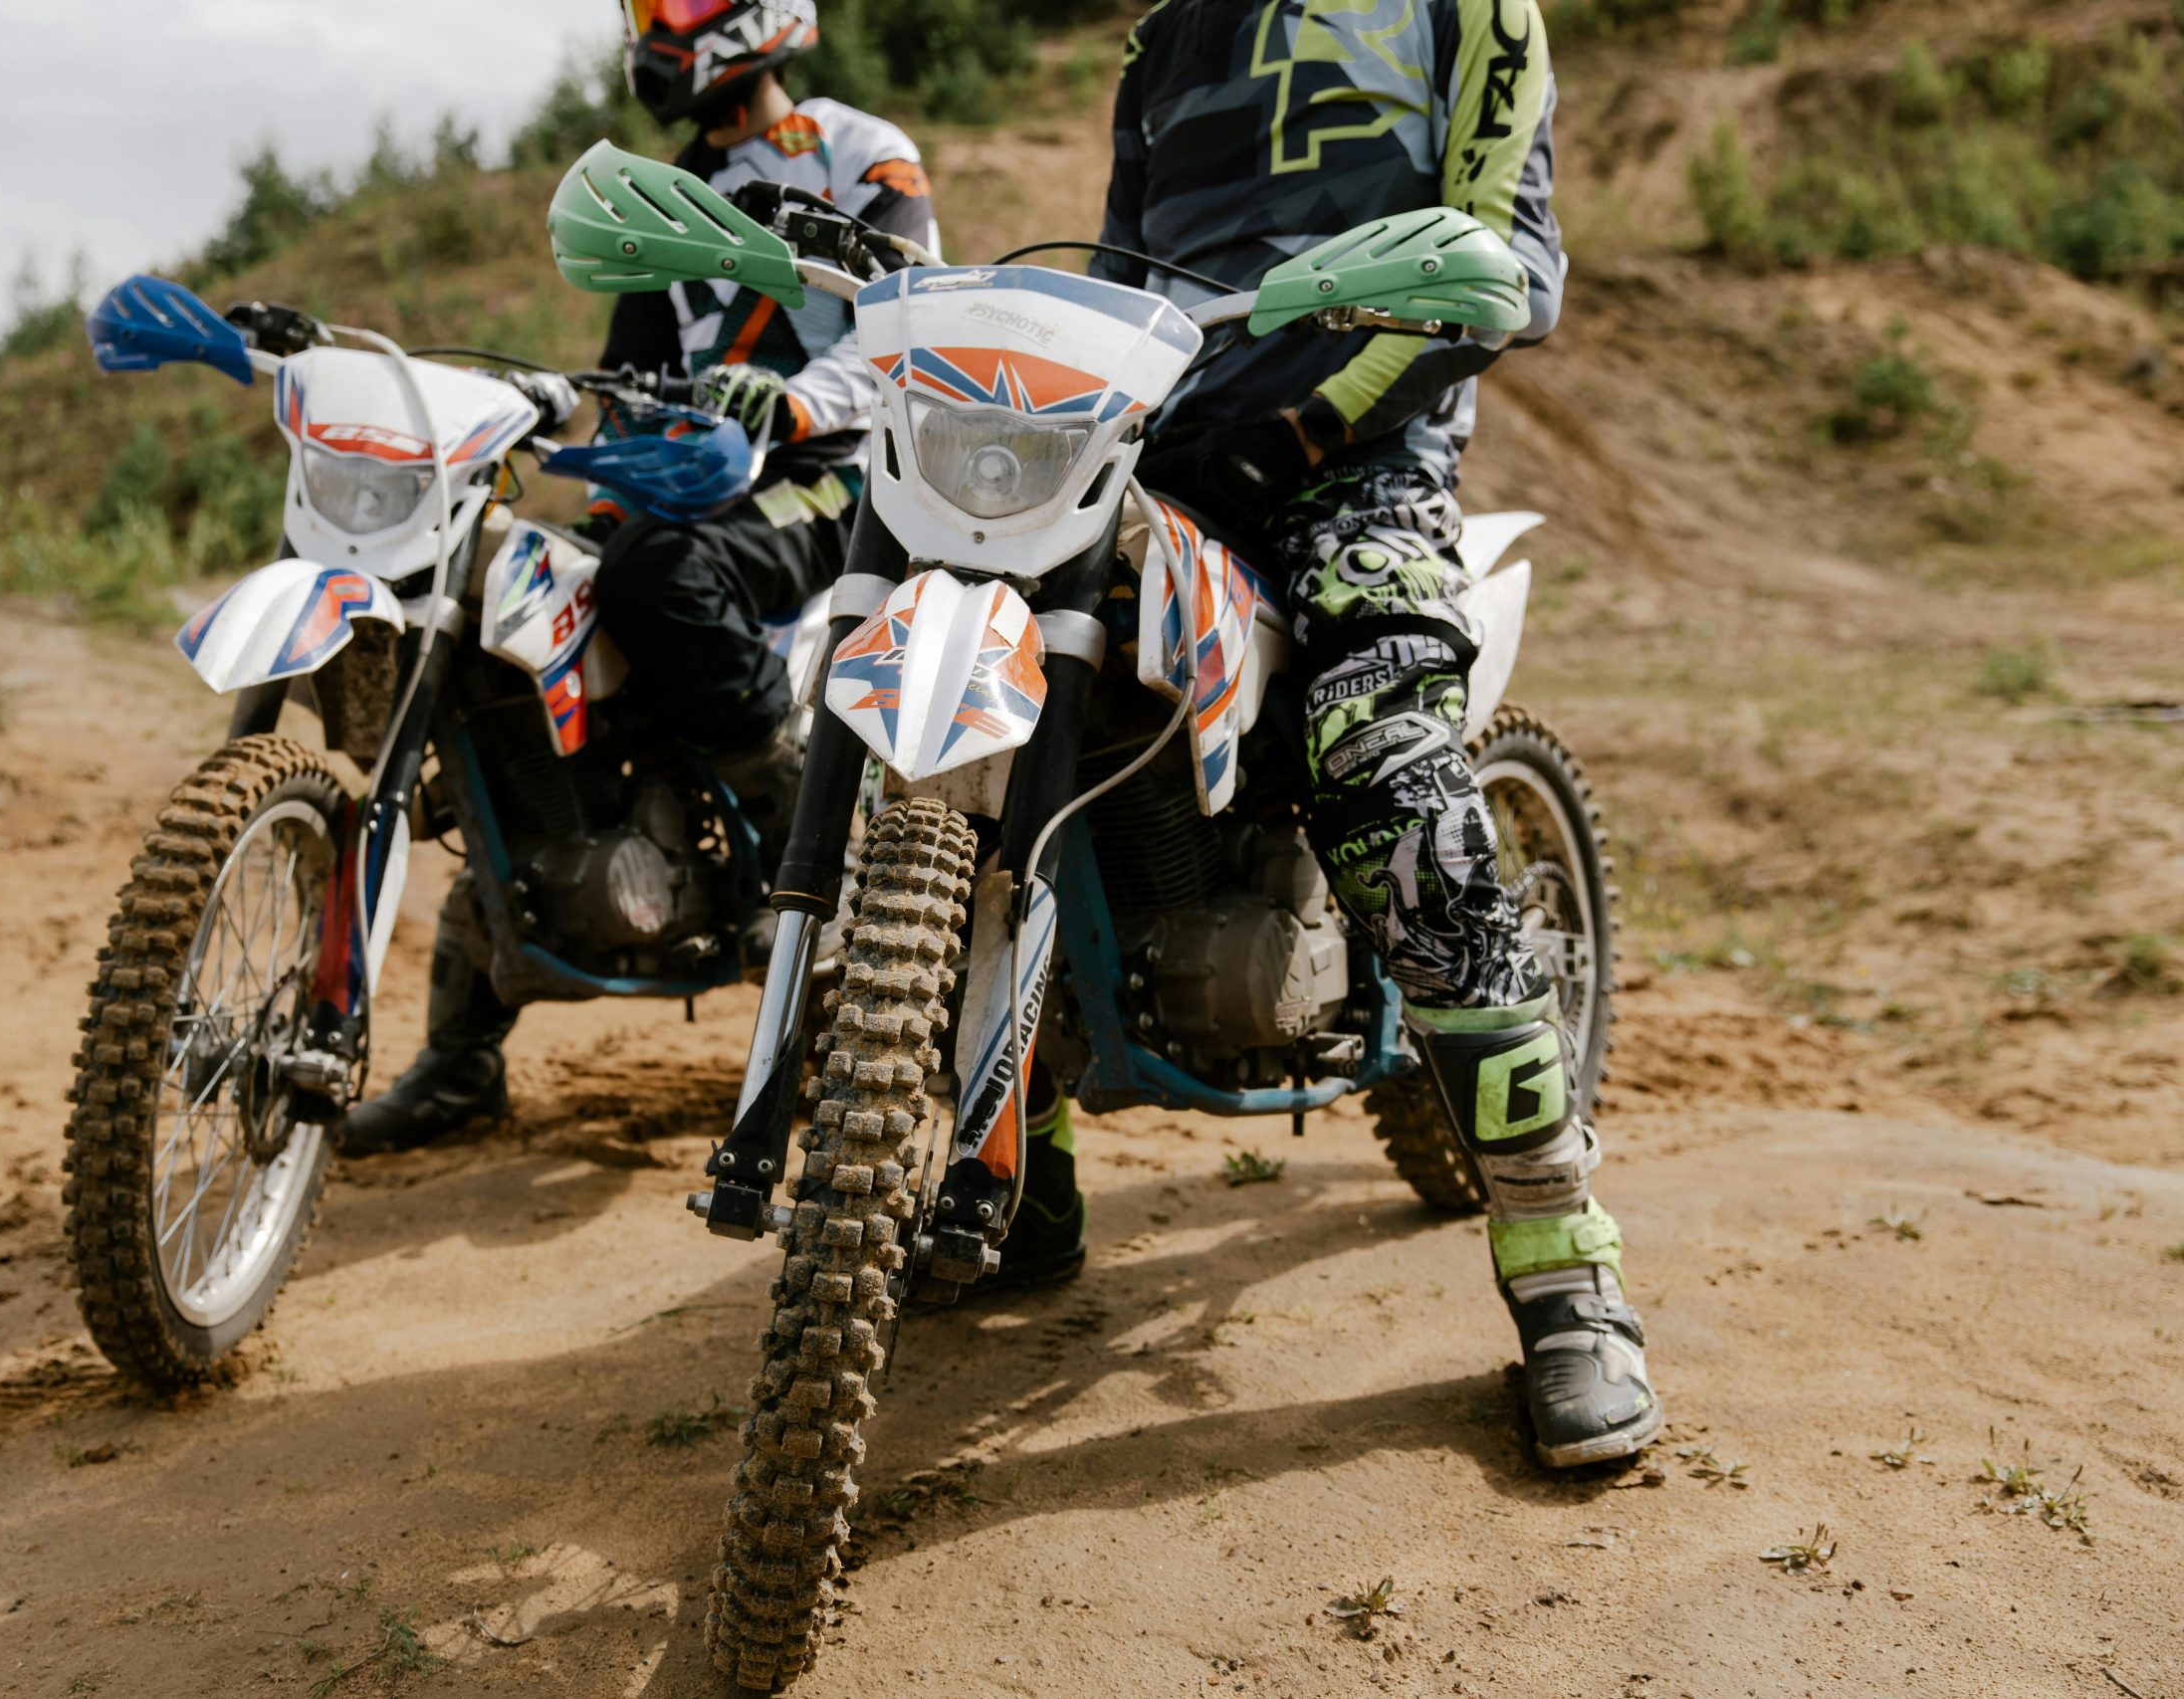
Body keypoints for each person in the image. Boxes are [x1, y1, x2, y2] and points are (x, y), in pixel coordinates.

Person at [996, 0, 1658, 1469]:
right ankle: (1017, 1185)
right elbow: (1119, 281)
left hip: (1362, 464)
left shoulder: (1469, 9)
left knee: (1385, 760)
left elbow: (1510, 259)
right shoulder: (1163, 40)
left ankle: (1564, 1264)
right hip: (1155, 463)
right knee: (990, 725)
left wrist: (1298, 427)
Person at [340, 0, 938, 1157]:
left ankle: (797, 855)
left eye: (682, 6)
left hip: (833, 476)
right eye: (645, 9)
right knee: (520, 603)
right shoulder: (667, 189)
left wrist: (796, 404)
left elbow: (906, 320)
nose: (659, 27)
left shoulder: (860, 151)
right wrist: (591, 459)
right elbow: (630, 373)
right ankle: (462, 1056)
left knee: (657, 573)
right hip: (693, 488)